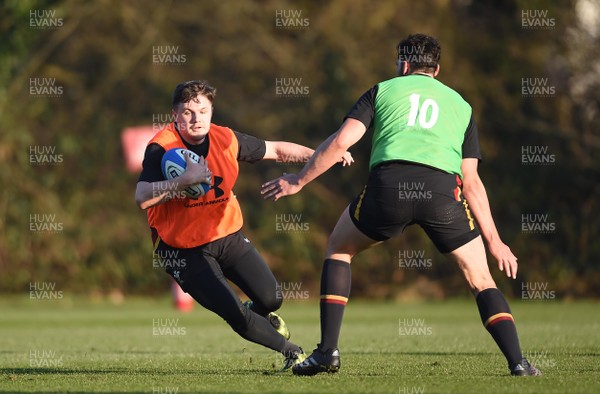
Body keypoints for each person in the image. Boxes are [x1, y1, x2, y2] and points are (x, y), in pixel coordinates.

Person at [262, 34, 541, 377]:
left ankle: (327, 352)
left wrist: (298, 180)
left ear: (403, 64)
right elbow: (471, 181)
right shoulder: (462, 106)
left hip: (389, 187)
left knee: (338, 249)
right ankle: (519, 363)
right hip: (442, 193)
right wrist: (495, 241)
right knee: (481, 279)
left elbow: (341, 142)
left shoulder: (383, 89)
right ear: (436, 69)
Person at [135, 80, 352, 371]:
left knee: (271, 297)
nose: (197, 118)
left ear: (212, 111)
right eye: (188, 112)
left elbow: (276, 150)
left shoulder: (226, 139)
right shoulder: (161, 148)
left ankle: (256, 316)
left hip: (226, 234)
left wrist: (323, 154)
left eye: (203, 110)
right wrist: (183, 182)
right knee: (234, 312)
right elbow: (141, 198)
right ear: (175, 115)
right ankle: (292, 352)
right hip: (182, 249)